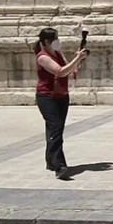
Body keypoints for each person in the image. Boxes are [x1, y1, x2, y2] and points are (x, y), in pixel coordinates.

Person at [34, 28, 89, 179]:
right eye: (55, 38)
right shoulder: (42, 57)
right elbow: (59, 71)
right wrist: (77, 59)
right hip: (47, 97)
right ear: (46, 41)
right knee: (56, 129)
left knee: (54, 130)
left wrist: (78, 61)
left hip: (61, 95)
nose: (58, 41)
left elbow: (70, 69)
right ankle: (59, 166)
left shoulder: (57, 54)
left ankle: (51, 161)